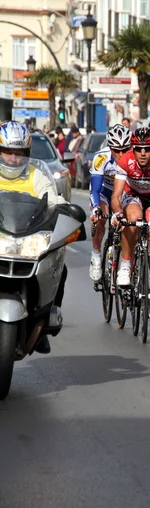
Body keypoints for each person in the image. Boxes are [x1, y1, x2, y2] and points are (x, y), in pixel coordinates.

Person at [0, 121, 68, 354]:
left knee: (60, 266)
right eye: (7, 152)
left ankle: (45, 319)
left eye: (18, 153)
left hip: (26, 241)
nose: (13, 158)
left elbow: (53, 199)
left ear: (27, 154)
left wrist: (65, 209)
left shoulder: (36, 175)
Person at [111, 127, 150, 322]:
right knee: (133, 218)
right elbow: (116, 195)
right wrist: (117, 213)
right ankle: (125, 263)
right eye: (138, 148)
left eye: (147, 149)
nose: (142, 153)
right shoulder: (126, 161)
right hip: (132, 197)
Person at [89, 124, 132, 282]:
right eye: (116, 150)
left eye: (125, 149)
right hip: (104, 192)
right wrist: (95, 209)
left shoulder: (134, 158)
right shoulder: (101, 158)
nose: (121, 154)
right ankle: (96, 255)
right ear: (110, 147)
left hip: (123, 192)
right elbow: (95, 189)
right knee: (100, 219)